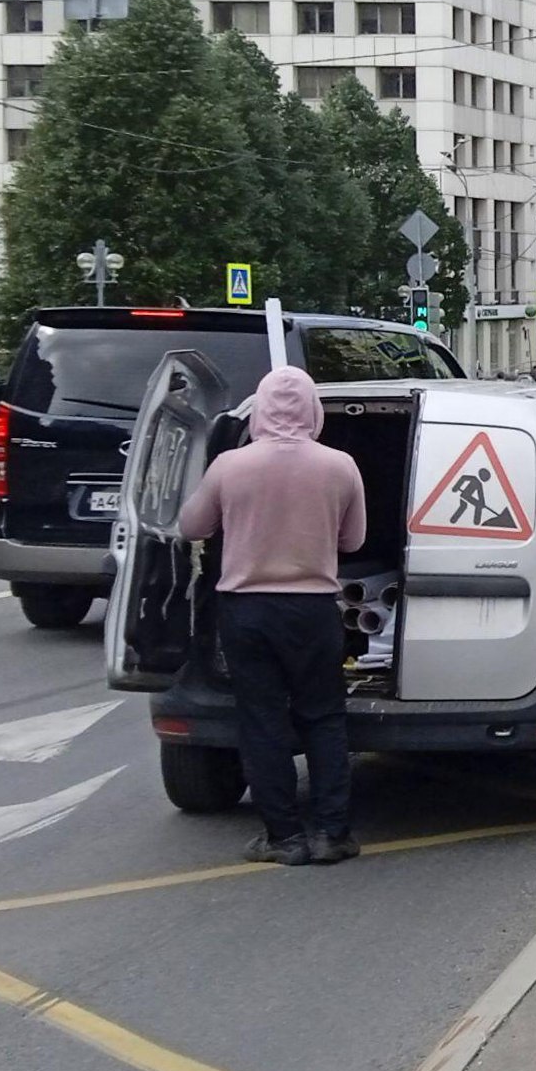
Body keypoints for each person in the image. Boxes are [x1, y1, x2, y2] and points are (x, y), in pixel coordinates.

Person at [176, 366, 367, 867]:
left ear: (259, 409)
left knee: (262, 720)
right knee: (323, 717)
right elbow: (354, 541)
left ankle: (283, 837)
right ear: (313, 410)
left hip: (247, 610)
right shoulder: (340, 465)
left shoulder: (229, 465)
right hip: (313, 610)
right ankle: (331, 833)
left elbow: (191, 526)